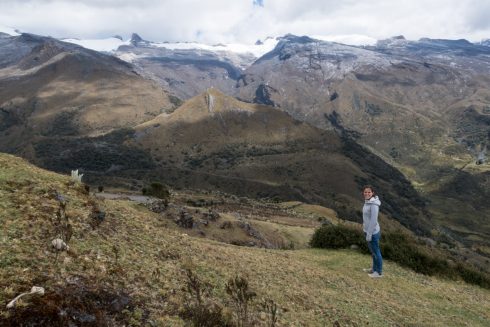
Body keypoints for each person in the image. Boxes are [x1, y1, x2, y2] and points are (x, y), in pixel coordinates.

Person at [362, 185, 383, 278]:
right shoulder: (367, 202)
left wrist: (369, 234)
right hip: (367, 231)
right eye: (365, 192)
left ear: (372, 193)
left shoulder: (374, 205)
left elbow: (373, 221)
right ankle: (374, 269)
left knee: (376, 252)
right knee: (373, 252)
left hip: (373, 232)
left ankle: (378, 273)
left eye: (369, 192)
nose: (367, 193)